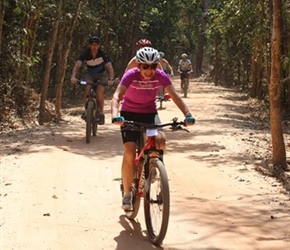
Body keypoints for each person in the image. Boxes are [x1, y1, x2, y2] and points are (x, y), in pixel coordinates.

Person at [111, 47, 195, 210]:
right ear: (139, 66)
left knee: (160, 139)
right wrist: (115, 115)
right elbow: (116, 96)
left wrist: (187, 114)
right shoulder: (131, 75)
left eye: (153, 66)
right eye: (145, 66)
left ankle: (154, 166)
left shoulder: (161, 76)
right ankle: (127, 194)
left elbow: (175, 95)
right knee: (130, 151)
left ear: (157, 65)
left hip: (149, 114)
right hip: (129, 115)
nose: (149, 70)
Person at [70, 35, 115, 125]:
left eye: (96, 45)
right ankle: (86, 111)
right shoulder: (85, 54)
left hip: (102, 75)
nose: (94, 47)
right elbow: (77, 65)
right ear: (89, 45)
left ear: (99, 45)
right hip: (90, 75)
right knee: (87, 87)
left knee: (99, 92)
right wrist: (73, 77)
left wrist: (111, 79)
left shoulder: (102, 54)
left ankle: (101, 113)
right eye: (92, 45)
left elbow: (109, 67)